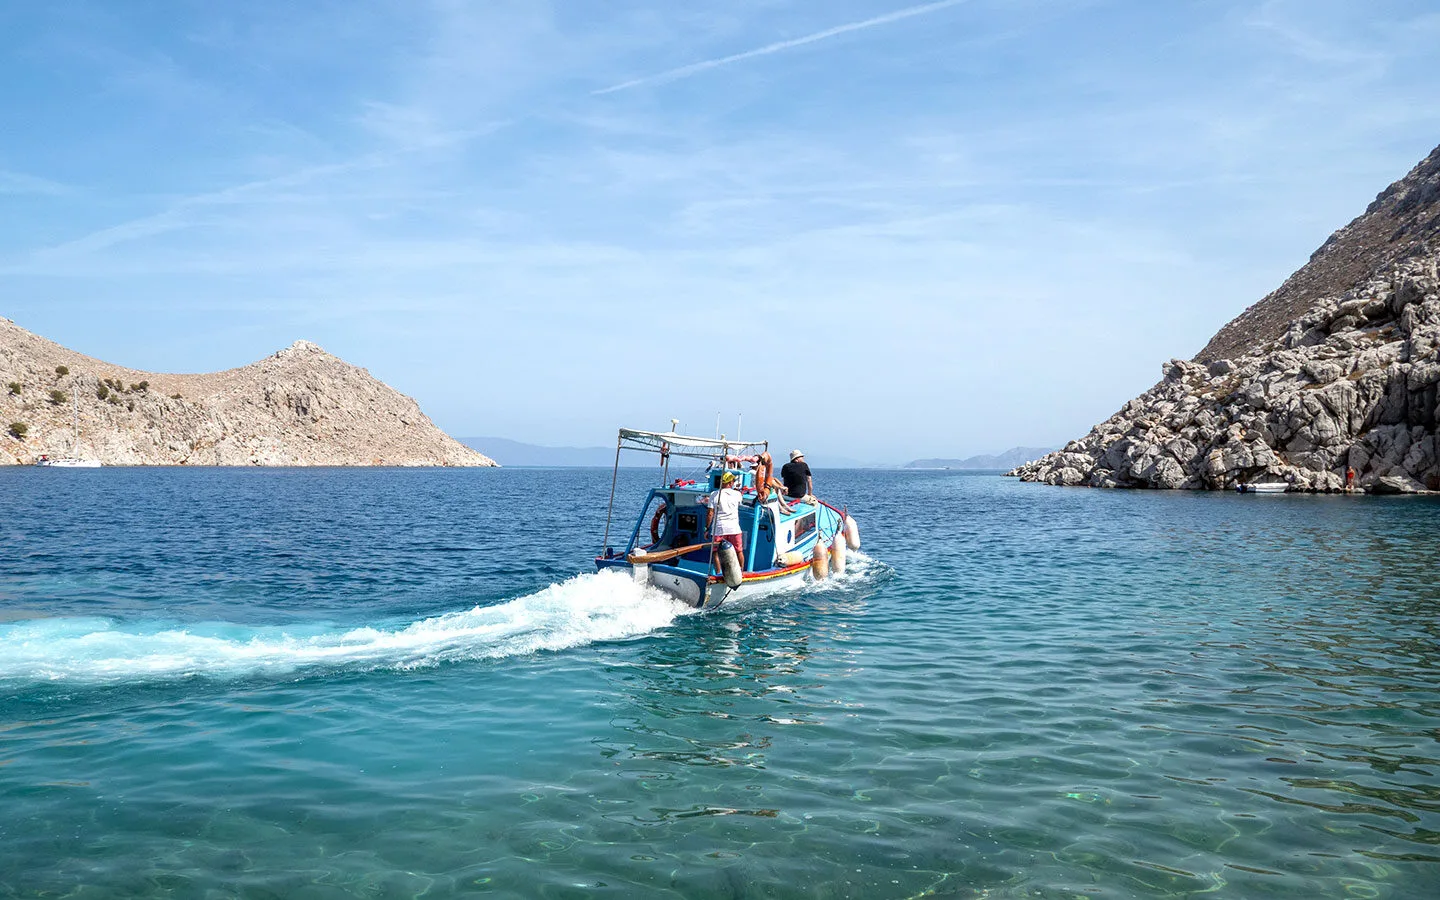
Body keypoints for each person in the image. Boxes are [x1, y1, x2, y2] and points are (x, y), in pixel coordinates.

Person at [702, 470, 745, 571]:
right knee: (739, 551)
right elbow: (739, 502)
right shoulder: (738, 494)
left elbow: (710, 513)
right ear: (730, 483)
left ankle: (718, 572)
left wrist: (706, 528)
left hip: (719, 529)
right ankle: (741, 572)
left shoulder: (714, 494)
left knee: (716, 552)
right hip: (734, 529)